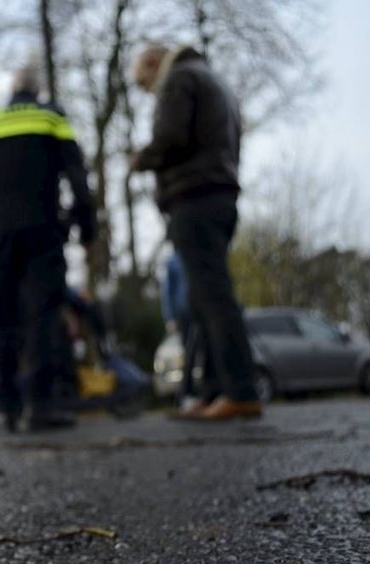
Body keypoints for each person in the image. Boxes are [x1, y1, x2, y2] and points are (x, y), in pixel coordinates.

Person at [0, 67, 96, 431]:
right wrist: (86, 226)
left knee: (0, 322)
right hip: (43, 232)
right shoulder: (52, 118)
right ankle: (40, 405)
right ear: (38, 90)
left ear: (11, 91)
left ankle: (5, 407)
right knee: (42, 317)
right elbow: (79, 178)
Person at [130, 44, 261, 421]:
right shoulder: (212, 80)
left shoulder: (180, 78)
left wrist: (143, 159)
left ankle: (240, 389)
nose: (148, 92)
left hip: (195, 197)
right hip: (219, 195)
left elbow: (171, 137)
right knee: (204, 298)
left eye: (144, 83)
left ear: (155, 65)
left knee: (212, 296)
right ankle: (216, 391)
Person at [160, 248, 201, 409]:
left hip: (201, 311)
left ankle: (206, 393)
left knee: (204, 354)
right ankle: (185, 394)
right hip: (184, 313)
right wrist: (170, 317)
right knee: (189, 354)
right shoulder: (173, 260)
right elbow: (167, 291)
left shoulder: (198, 254)